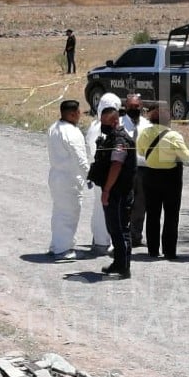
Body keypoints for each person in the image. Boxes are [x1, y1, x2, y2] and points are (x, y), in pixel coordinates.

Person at [136, 103, 189, 259]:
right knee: (171, 215)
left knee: (152, 214)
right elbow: (186, 156)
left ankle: (153, 250)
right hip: (171, 178)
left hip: (150, 175)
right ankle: (169, 251)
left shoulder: (145, 133)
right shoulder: (174, 136)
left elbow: (140, 151)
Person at [88, 105, 136, 279]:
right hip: (115, 190)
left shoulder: (120, 140)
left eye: (106, 122)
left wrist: (106, 190)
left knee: (121, 229)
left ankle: (124, 267)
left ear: (115, 121)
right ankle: (118, 263)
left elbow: (116, 165)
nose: (103, 126)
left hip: (119, 192)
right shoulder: (111, 137)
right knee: (113, 228)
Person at [47, 99, 90, 260]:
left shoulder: (54, 128)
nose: (80, 115)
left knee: (59, 212)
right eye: (78, 112)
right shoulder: (72, 132)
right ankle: (62, 250)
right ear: (72, 114)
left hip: (56, 175)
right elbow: (80, 160)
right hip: (69, 179)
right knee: (69, 214)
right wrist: (90, 177)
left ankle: (57, 244)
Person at [84, 93, 121, 256]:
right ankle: (104, 241)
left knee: (99, 207)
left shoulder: (94, 126)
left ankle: (99, 239)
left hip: (97, 172)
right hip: (108, 173)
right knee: (107, 208)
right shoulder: (107, 129)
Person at [121, 94, 151, 246]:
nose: (134, 109)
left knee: (140, 204)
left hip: (143, 169)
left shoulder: (147, 125)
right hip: (124, 168)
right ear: (126, 107)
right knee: (125, 203)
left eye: (136, 107)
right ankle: (123, 235)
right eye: (131, 107)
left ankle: (136, 236)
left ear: (141, 107)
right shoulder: (119, 123)